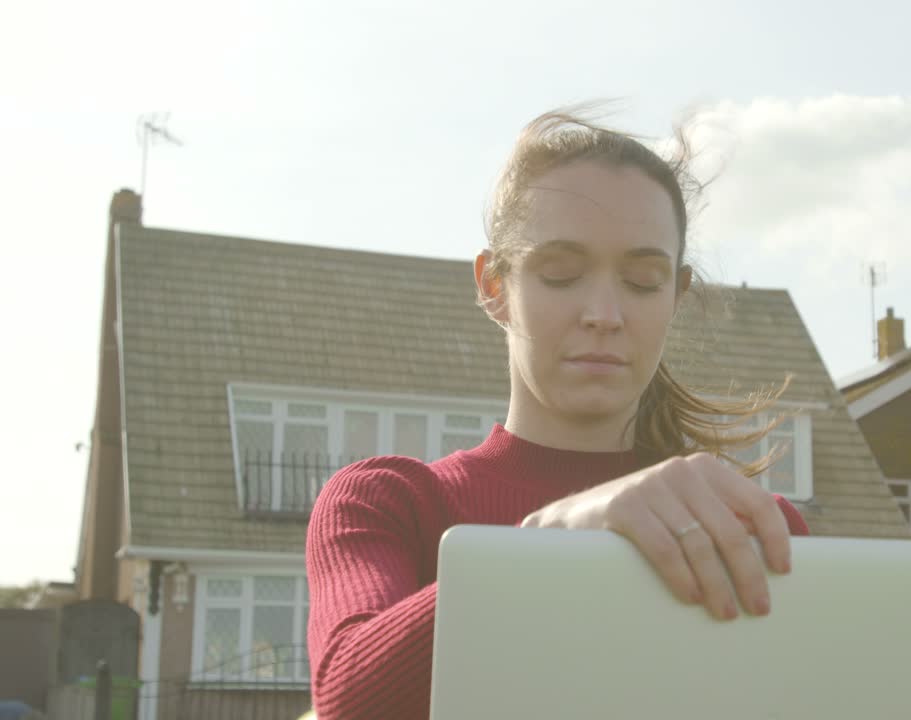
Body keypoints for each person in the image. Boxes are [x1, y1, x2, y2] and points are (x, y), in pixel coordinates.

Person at [305, 107, 810, 719]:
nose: (604, 311)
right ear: (494, 285)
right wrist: (554, 543)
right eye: (562, 273)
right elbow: (350, 704)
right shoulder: (385, 502)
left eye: (644, 281)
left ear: (677, 296)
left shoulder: (748, 526)